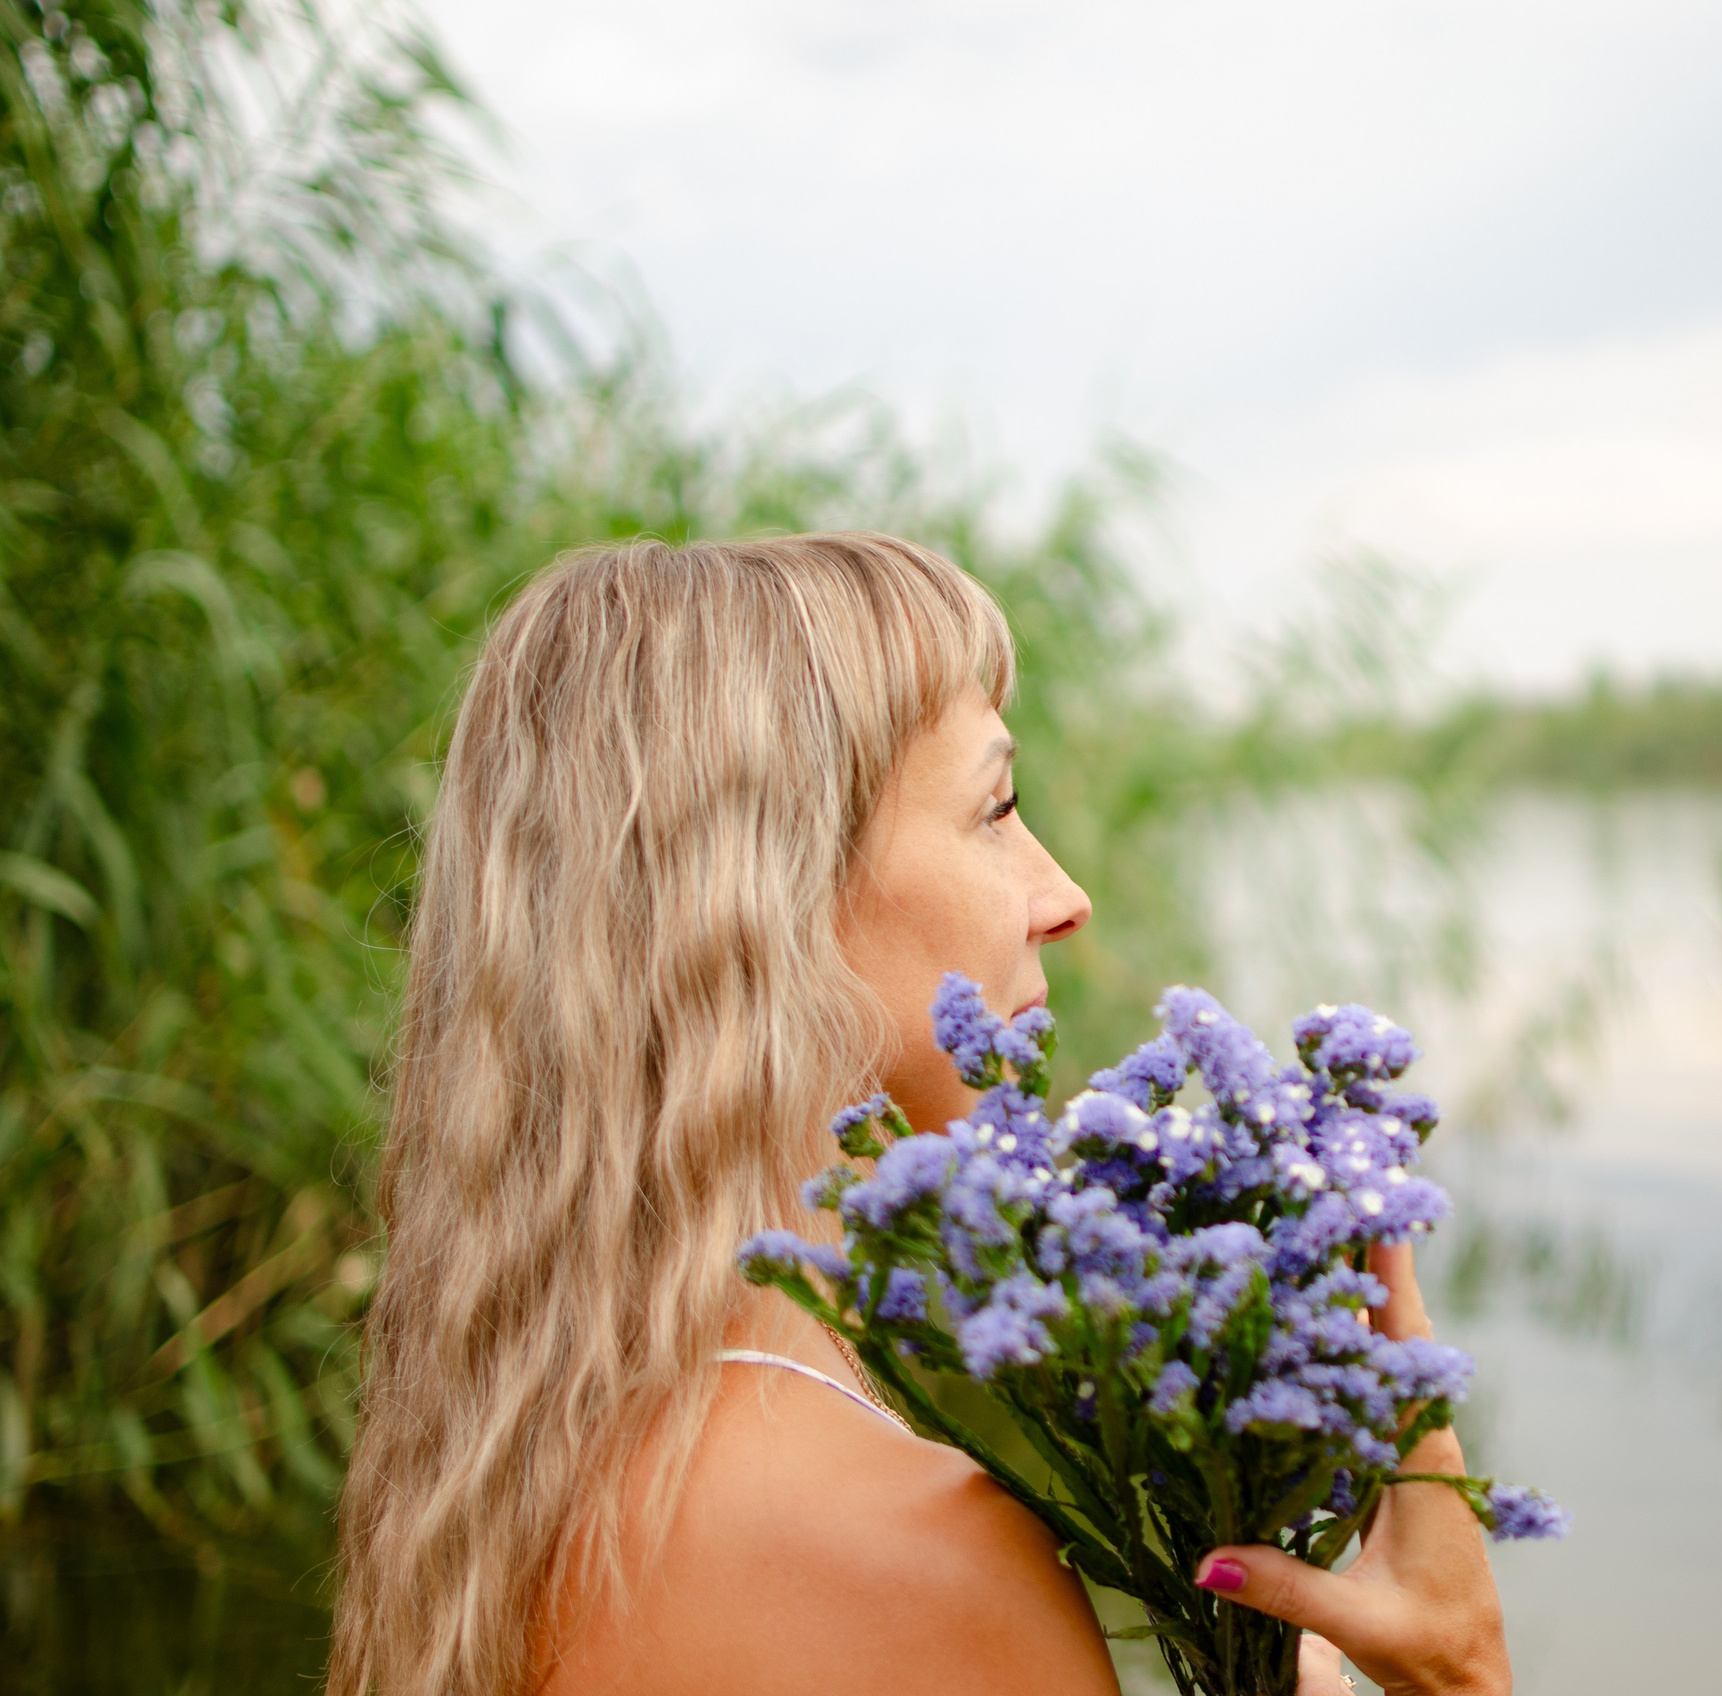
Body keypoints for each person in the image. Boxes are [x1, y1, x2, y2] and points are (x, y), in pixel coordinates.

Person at [328, 534, 1511, 1696]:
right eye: (994, 809)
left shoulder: (511, 1474)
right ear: (770, 902)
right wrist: (1458, 1673)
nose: (1066, 897)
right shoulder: (908, 1555)